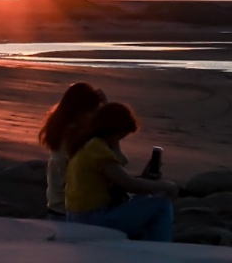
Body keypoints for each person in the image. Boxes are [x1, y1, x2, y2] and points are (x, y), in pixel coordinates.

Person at [64, 100, 177, 240]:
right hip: (92, 218)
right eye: (120, 136)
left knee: (146, 199)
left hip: (82, 216)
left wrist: (144, 177)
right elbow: (128, 184)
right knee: (162, 206)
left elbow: (120, 182)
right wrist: (165, 185)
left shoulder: (86, 145)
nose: (118, 142)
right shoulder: (95, 147)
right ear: (112, 130)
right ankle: (159, 252)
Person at [39, 81, 106, 218]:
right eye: (91, 112)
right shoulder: (75, 136)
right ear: (79, 112)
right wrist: (106, 107)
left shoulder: (58, 127)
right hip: (69, 210)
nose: (92, 117)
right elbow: (109, 140)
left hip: (55, 205)